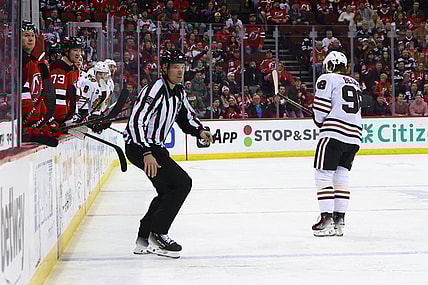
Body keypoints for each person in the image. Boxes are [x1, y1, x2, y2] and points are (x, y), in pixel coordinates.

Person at [124, 49, 213, 258]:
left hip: (153, 148)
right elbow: (136, 121)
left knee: (166, 191)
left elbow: (186, 118)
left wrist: (200, 130)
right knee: (182, 183)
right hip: (141, 146)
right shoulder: (155, 89)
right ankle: (159, 234)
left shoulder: (179, 91)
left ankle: (143, 239)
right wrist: (147, 152)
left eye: (182, 67)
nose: (180, 71)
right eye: (175, 67)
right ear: (164, 68)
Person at [312, 51, 362, 237]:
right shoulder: (355, 83)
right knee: (341, 176)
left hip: (334, 134)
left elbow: (321, 111)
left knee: (323, 174)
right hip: (354, 137)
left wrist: (318, 119)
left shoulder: (327, 78)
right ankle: (339, 221)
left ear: (330, 65)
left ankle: (325, 220)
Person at [50, 36, 83, 124]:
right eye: (75, 50)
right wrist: (60, 118)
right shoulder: (58, 67)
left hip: (67, 117)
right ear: (66, 51)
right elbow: (57, 97)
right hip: (57, 119)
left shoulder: (74, 68)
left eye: (79, 50)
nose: (78, 53)